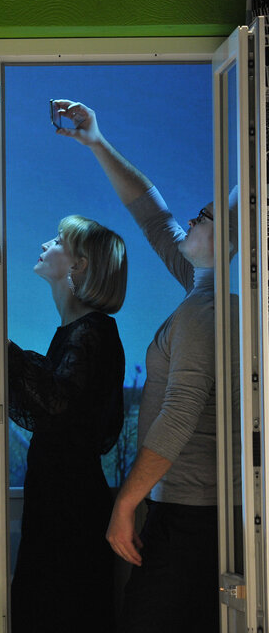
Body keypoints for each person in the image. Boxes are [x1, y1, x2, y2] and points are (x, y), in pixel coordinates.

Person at [55, 98, 233, 632]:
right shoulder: (203, 286)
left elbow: (178, 416)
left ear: (230, 241)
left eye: (204, 216)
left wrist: (125, 504)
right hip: (187, 508)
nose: (191, 219)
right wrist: (96, 141)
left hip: (191, 516)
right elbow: (154, 216)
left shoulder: (205, 310)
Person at [7, 214, 127, 632]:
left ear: (79, 264)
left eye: (58, 240)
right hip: (61, 501)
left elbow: (56, 403)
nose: (45, 244)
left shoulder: (92, 332)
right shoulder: (77, 332)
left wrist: (2, 349)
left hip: (70, 509)